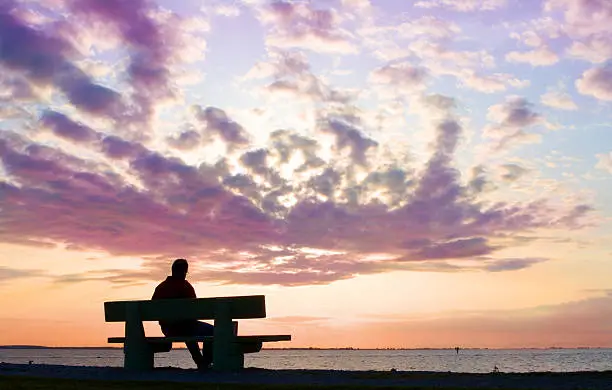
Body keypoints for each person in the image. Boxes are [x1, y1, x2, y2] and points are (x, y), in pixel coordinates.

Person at [152, 258, 214, 369]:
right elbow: (195, 311)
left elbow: (152, 310)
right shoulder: (186, 287)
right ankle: (206, 361)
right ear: (184, 271)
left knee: (186, 330)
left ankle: (201, 361)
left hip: (168, 329)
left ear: (172, 270)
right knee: (212, 331)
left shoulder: (161, 288)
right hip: (187, 327)